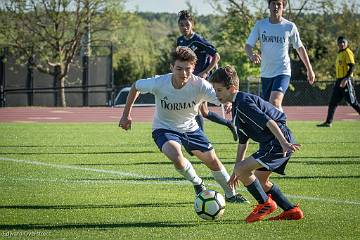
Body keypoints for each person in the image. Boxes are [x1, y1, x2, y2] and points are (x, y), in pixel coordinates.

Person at [119, 46, 248, 203]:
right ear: (171, 67)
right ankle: (198, 183)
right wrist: (126, 115)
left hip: (191, 129)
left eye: (188, 69)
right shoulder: (159, 82)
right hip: (164, 128)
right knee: (175, 155)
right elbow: (135, 87)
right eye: (179, 69)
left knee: (213, 161)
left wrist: (228, 102)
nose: (184, 73)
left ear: (194, 67)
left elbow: (224, 95)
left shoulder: (201, 85)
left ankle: (231, 195)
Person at [209, 65, 304, 223]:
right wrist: (235, 172)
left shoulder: (244, 102)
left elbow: (269, 122)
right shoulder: (237, 107)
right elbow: (242, 142)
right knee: (260, 181)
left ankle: (265, 204)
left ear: (231, 88)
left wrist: (284, 143)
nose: (216, 93)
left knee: (245, 171)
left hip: (278, 141)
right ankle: (291, 210)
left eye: (219, 90)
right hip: (274, 142)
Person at [177, 10, 238, 141]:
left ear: (192, 24)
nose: (184, 27)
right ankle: (229, 124)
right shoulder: (180, 40)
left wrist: (205, 71)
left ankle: (201, 140)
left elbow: (217, 56)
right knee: (204, 112)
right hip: (190, 78)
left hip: (201, 79)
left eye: (187, 24)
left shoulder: (198, 40)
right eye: (182, 25)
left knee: (196, 108)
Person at [245, 0, 315, 112]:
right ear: (269, 5)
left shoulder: (289, 26)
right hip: (266, 72)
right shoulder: (260, 25)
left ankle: (283, 129)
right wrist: (251, 55)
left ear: (283, 7)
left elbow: (300, 48)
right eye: (273, 3)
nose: (276, 6)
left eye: (279, 4)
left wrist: (309, 69)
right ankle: (281, 124)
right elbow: (248, 45)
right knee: (269, 107)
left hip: (283, 71)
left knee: (275, 102)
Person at [317, 36, 360, 127]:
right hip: (339, 81)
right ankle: (328, 122)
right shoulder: (340, 53)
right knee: (332, 102)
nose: (342, 44)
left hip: (346, 80)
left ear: (346, 43)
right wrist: (340, 80)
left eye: (343, 42)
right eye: (340, 42)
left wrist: (346, 79)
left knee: (352, 102)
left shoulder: (347, 52)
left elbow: (352, 67)